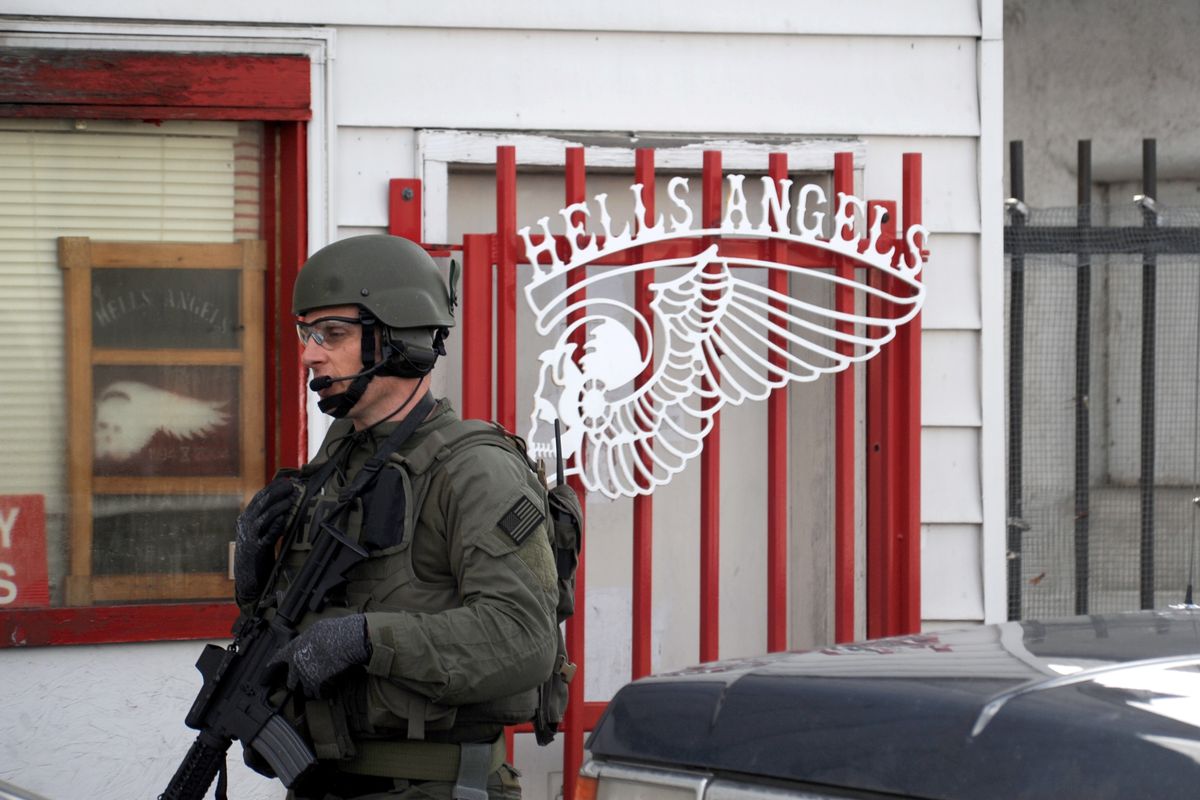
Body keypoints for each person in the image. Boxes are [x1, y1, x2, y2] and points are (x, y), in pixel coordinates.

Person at [232, 234, 561, 800]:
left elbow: (525, 638)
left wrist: (367, 639)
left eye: (332, 334)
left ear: (397, 339)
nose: (310, 354)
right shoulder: (334, 468)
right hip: (323, 782)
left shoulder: (475, 471)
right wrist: (253, 575)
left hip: (432, 787)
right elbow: (304, 625)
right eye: (305, 334)